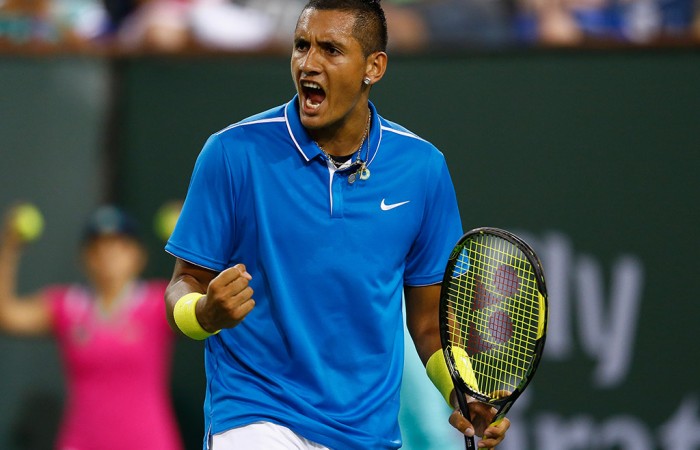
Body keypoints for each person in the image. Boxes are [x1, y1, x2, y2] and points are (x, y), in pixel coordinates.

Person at [164, 0, 511, 449]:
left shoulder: (422, 168)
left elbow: (428, 322)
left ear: (374, 67)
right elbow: (183, 282)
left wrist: (461, 391)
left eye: (330, 49)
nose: (308, 63)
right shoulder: (231, 153)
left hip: (365, 432)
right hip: (255, 414)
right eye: (301, 46)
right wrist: (204, 313)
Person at [0, 204, 183, 450]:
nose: (108, 253)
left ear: (139, 255)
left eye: (119, 244)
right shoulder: (66, 306)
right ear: (84, 257)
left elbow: (209, 304)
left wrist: (189, 239)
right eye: (98, 246)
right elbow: (7, 315)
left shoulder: (159, 302)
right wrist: (10, 246)